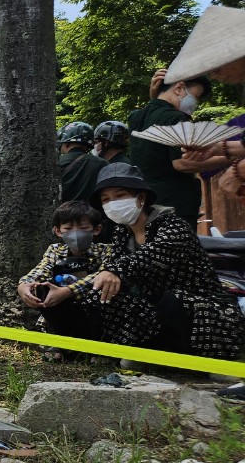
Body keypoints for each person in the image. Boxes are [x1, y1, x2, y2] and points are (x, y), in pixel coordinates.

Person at [88, 163, 245, 360]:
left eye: (119, 196)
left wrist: (114, 270)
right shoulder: (121, 232)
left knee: (172, 300)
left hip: (201, 310)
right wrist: (70, 290)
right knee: (104, 293)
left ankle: (203, 359)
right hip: (154, 309)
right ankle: (127, 352)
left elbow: (152, 255)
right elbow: (109, 268)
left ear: (141, 198)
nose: (113, 203)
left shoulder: (173, 225)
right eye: (106, 200)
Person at [18, 200, 127, 344]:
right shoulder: (55, 250)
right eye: (68, 228)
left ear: (96, 229)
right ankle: (61, 343)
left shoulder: (107, 250)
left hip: (98, 312)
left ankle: (99, 346)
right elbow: (41, 270)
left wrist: (68, 291)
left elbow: (102, 274)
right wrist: (24, 285)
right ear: (57, 231)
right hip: (64, 310)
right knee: (43, 287)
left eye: (83, 228)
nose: (75, 234)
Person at [128, 74, 228, 225]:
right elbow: (181, 163)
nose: (195, 104)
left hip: (143, 204)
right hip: (173, 206)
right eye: (195, 97)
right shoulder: (176, 118)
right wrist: (230, 157)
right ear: (179, 88)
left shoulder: (136, 117)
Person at [57, 121, 107, 204]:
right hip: (93, 215)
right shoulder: (102, 164)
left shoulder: (56, 164)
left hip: (62, 214)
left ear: (66, 143)